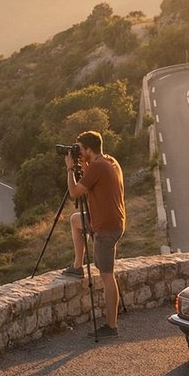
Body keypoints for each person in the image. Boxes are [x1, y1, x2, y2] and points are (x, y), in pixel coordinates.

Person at [62, 130, 125, 337]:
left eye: (80, 149)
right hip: (106, 220)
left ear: (88, 149)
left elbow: (74, 192)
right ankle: (78, 266)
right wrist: (82, 163)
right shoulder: (109, 161)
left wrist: (71, 169)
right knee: (75, 220)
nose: (78, 152)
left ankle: (111, 326)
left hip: (106, 227)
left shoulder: (97, 166)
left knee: (106, 275)